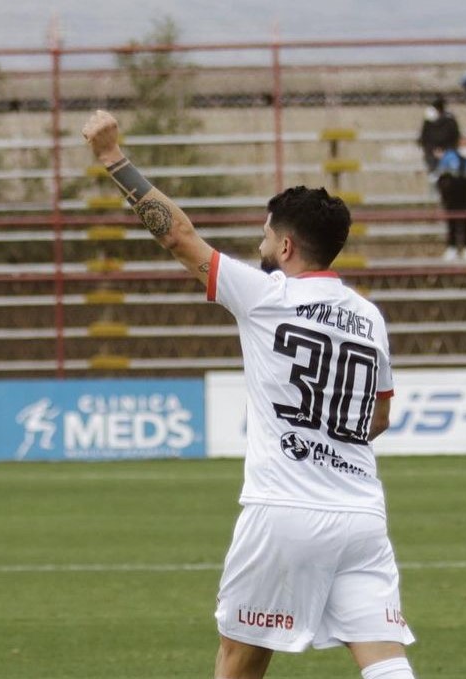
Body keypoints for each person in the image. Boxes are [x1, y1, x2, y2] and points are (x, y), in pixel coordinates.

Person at [82, 110, 417, 679]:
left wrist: (115, 159)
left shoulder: (266, 296)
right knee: (384, 659)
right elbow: (378, 415)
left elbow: (178, 236)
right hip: (361, 511)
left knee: (239, 660)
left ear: (286, 246)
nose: (259, 246)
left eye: (264, 235)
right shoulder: (368, 316)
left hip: (283, 509)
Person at [435, 136, 466, 261]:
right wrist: (444, 195)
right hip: (452, 195)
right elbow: (441, 178)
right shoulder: (449, 156)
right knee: (452, 222)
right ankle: (452, 247)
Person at [417, 94, 460, 175]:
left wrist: (444, 151)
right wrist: (433, 150)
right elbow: (424, 138)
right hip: (432, 152)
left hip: (448, 151)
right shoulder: (428, 121)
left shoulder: (450, 121)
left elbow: (455, 137)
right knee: (433, 170)